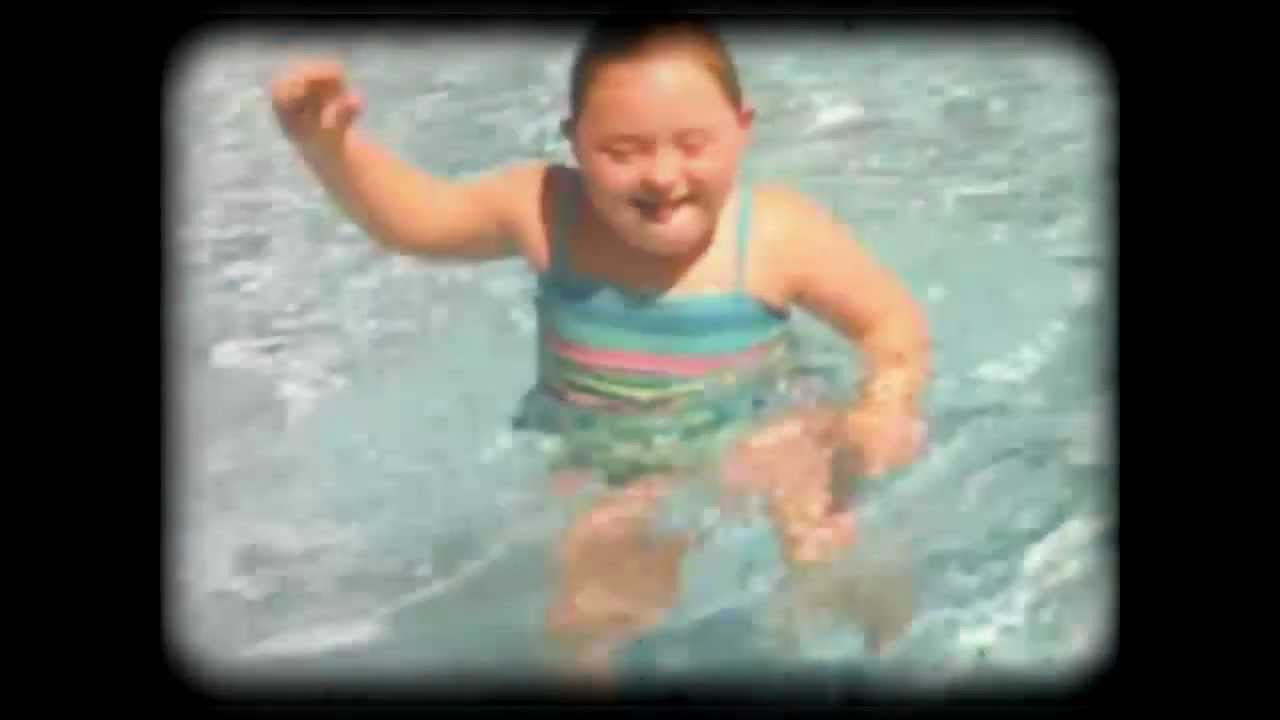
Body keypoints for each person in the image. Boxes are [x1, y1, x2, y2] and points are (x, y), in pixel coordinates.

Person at [269, 16, 931, 681]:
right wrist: (332, 150)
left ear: (742, 129)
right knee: (585, 623)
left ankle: (902, 651)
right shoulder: (546, 210)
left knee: (821, 542)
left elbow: (888, 322)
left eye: (693, 144)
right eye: (622, 151)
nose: (662, 175)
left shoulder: (776, 233)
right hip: (614, 465)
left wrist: (888, 403)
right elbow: (421, 221)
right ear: (575, 143)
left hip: (761, 433)